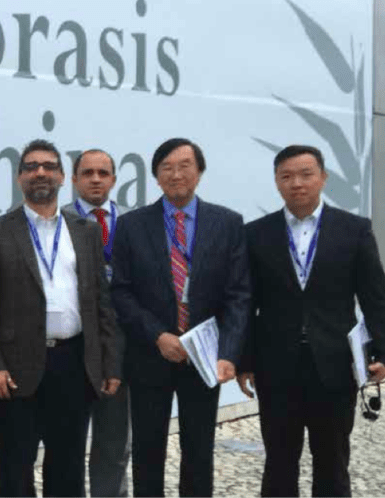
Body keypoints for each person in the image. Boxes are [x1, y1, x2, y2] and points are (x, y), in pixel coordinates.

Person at [238, 145, 385, 497]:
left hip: (335, 364)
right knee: (279, 461)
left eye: (306, 174)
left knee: (332, 460)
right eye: (287, 176)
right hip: (276, 365)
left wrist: (384, 351)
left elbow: (376, 296)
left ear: (323, 177)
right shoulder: (256, 234)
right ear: (277, 182)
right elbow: (245, 302)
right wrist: (245, 359)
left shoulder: (354, 230)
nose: (297, 183)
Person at [0, 139, 120, 497]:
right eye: (31, 166)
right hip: (14, 369)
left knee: (68, 467)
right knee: (15, 468)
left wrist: (110, 362)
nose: (40, 172)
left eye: (49, 166)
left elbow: (100, 301)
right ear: (19, 178)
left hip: (74, 364)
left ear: (62, 177)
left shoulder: (85, 231)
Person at [111, 137, 250, 497]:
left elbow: (238, 295)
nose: (176, 175)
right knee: (147, 449)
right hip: (150, 353)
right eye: (167, 168)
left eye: (185, 166)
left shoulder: (227, 223)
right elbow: (120, 291)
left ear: (199, 172)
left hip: (204, 355)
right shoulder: (131, 225)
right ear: (156, 176)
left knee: (199, 449)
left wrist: (229, 353)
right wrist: (158, 335)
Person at [61, 148, 130, 498]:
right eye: (87, 173)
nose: (96, 179)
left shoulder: (134, 222)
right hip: (74, 347)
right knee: (67, 442)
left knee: (114, 441)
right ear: (74, 180)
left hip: (122, 346)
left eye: (103, 173)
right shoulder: (56, 222)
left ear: (114, 179)